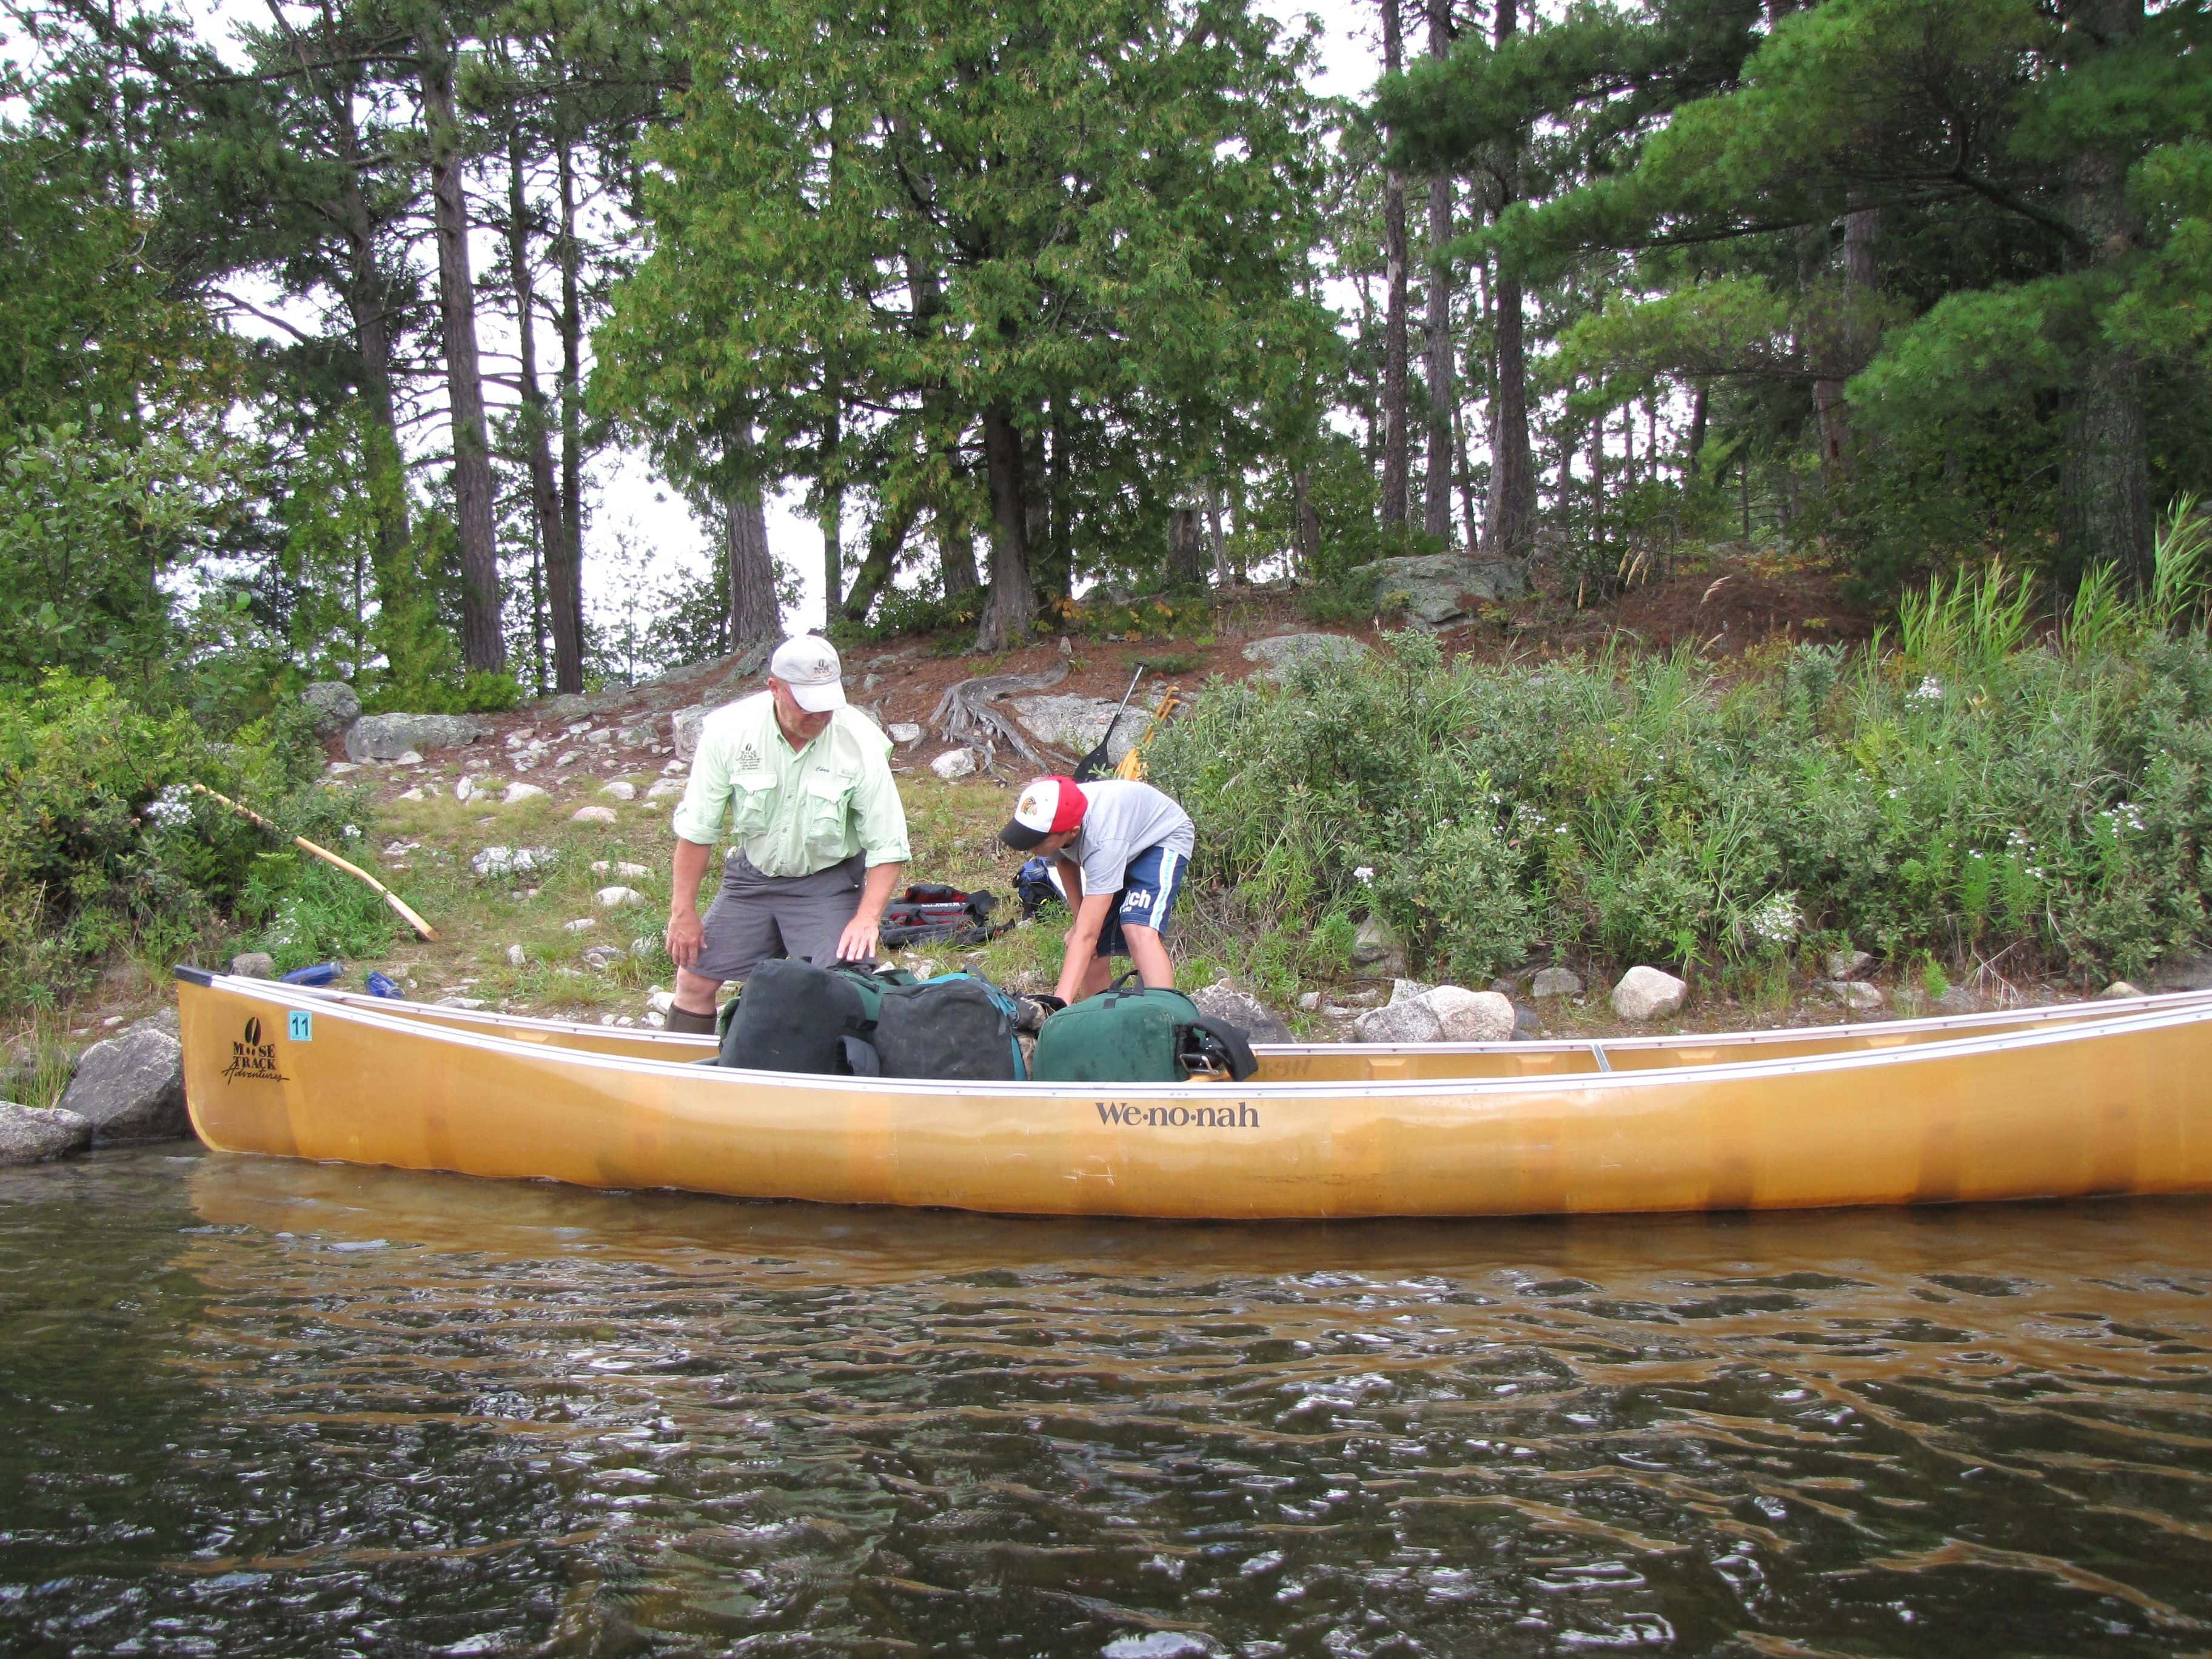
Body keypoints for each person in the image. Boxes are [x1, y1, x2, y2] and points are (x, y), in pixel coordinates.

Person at [662, 636, 910, 1034]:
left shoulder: (860, 742)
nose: (821, 715)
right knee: (693, 978)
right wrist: (683, 911)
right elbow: (698, 830)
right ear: (774, 688)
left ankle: (833, 1083)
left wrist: (867, 918)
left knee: (845, 991)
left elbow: (888, 844)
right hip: (752, 878)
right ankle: (679, 1079)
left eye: (828, 703)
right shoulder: (728, 732)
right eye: (808, 705)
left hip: (828, 881)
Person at [999, 774, 1195, 1007]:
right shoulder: (1054, 815)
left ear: (1072, 831)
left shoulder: (1102, 842)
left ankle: (1166, 1019)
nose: (1030, 847)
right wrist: (1079, 920)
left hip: (1161, 839)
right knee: (1091, 949)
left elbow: (1087, 935)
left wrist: (1057, 1005)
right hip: (1122, 836)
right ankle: (1096, 1023)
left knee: (1138, 930)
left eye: (1036, 841)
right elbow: (1063, 860)